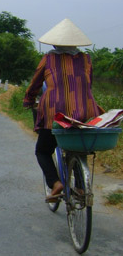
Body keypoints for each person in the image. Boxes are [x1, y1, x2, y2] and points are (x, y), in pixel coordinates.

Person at [23, 18, 103, 202]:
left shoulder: (49, 58)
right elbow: (88, 83)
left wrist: (28, 99)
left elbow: (35, 83)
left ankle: (55, 183)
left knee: (42, 150)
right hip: (85, 112)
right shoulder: (86, 59)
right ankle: (81, 189)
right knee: (76, 147)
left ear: (54, 42)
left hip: (55, 113)